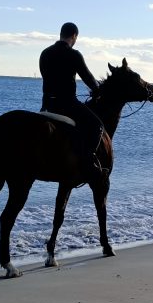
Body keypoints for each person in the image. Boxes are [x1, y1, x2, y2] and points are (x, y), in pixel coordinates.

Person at [39, 22, 106, 185]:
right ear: (74, 36)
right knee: (97, 126)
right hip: (67, 104)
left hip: (47, 105)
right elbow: (88, 78)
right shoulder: (74, 54)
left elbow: (46, 78)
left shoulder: (45, 53)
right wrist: (97, 91)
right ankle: (88, 163)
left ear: (61, 33)